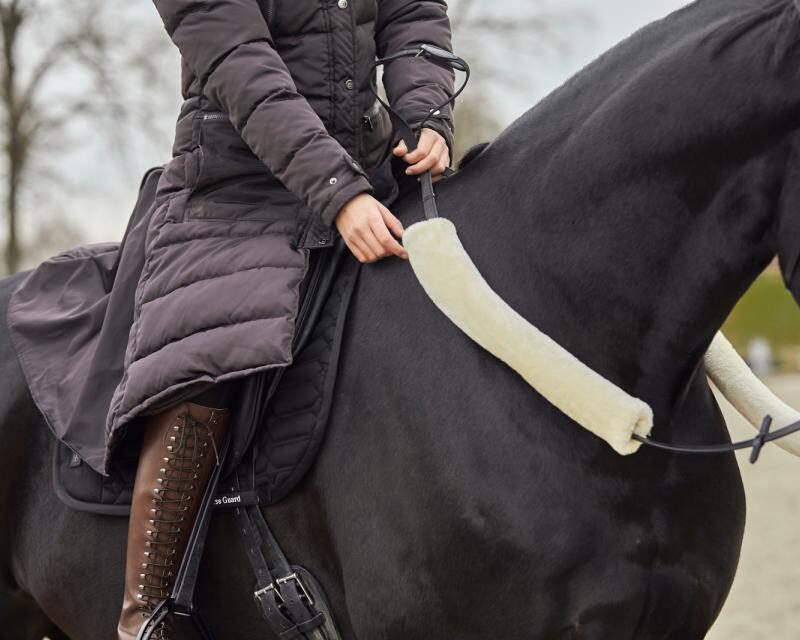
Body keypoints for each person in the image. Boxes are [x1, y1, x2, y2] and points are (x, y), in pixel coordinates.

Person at [114, 1, 456, 638]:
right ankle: (147, 615)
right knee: (209, 342)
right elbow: (241, 65)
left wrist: (426, 114)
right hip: (237, 189)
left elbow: (412, 12)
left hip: (372, 169)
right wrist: (338, 192)